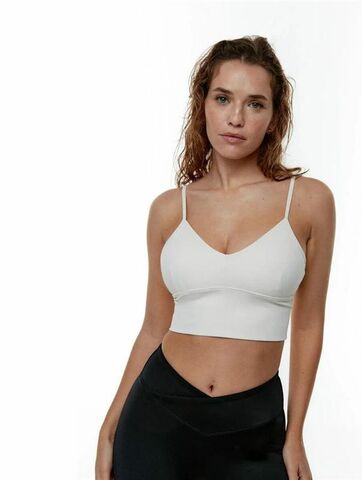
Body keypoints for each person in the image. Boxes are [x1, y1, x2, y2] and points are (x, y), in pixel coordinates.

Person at [95, 35, 335, 480]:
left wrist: (296, 433)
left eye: (255, 104)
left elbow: (308, 324)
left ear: (274, 117)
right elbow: (154, 326)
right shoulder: (170, 209)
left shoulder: (308, 202)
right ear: (202, 104)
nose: (236, 117)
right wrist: (108, 429)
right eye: (223, 98)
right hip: (158, 420)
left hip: (254, 427)